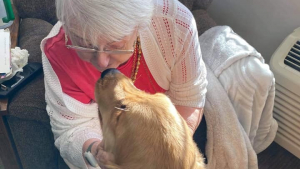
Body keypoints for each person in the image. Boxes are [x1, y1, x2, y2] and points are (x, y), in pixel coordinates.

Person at [41, 0, 208, 168]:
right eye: (85, 45)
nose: (102, 62)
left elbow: (188, 100)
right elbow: (71, 129)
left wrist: (163, 154)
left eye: (116, 45)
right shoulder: (58, 51)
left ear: (139, 25)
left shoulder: (174, 24)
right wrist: (96, 152)